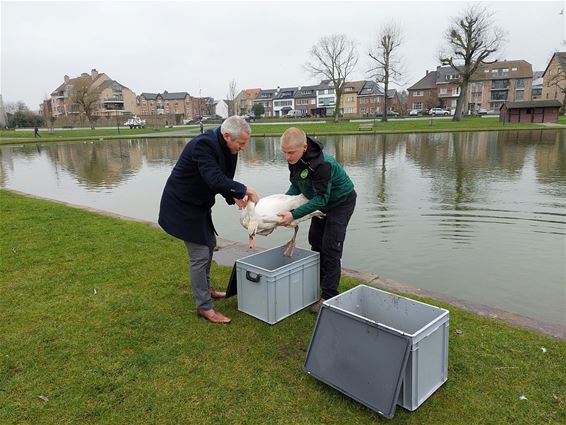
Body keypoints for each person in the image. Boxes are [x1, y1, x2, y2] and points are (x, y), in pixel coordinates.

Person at [159, 115, 259, 324]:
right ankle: (204, 307)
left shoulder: (229, 148)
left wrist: (233, 197)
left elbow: (222, 180)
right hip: (182, 205)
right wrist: (245, 190)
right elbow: (213, 178)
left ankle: (206, 290)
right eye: (241, 143)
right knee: (200, 255)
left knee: (210, 245)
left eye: (244, 143)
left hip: (199, 204)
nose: (242, 148)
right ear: (226, 136)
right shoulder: (203, 145)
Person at [277, 127, 356, 314]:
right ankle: (318, 283)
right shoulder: (295, 161)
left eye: (291, 152)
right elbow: (296, 186)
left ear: (304, 147)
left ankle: (329, 296)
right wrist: (283, 206)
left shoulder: (322, 165)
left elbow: (322, 199)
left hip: (340, 202)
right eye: (284, 152)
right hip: (321, 202)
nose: (287, 157)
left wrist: (294, 215)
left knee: (331, 247)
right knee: (315, 241)